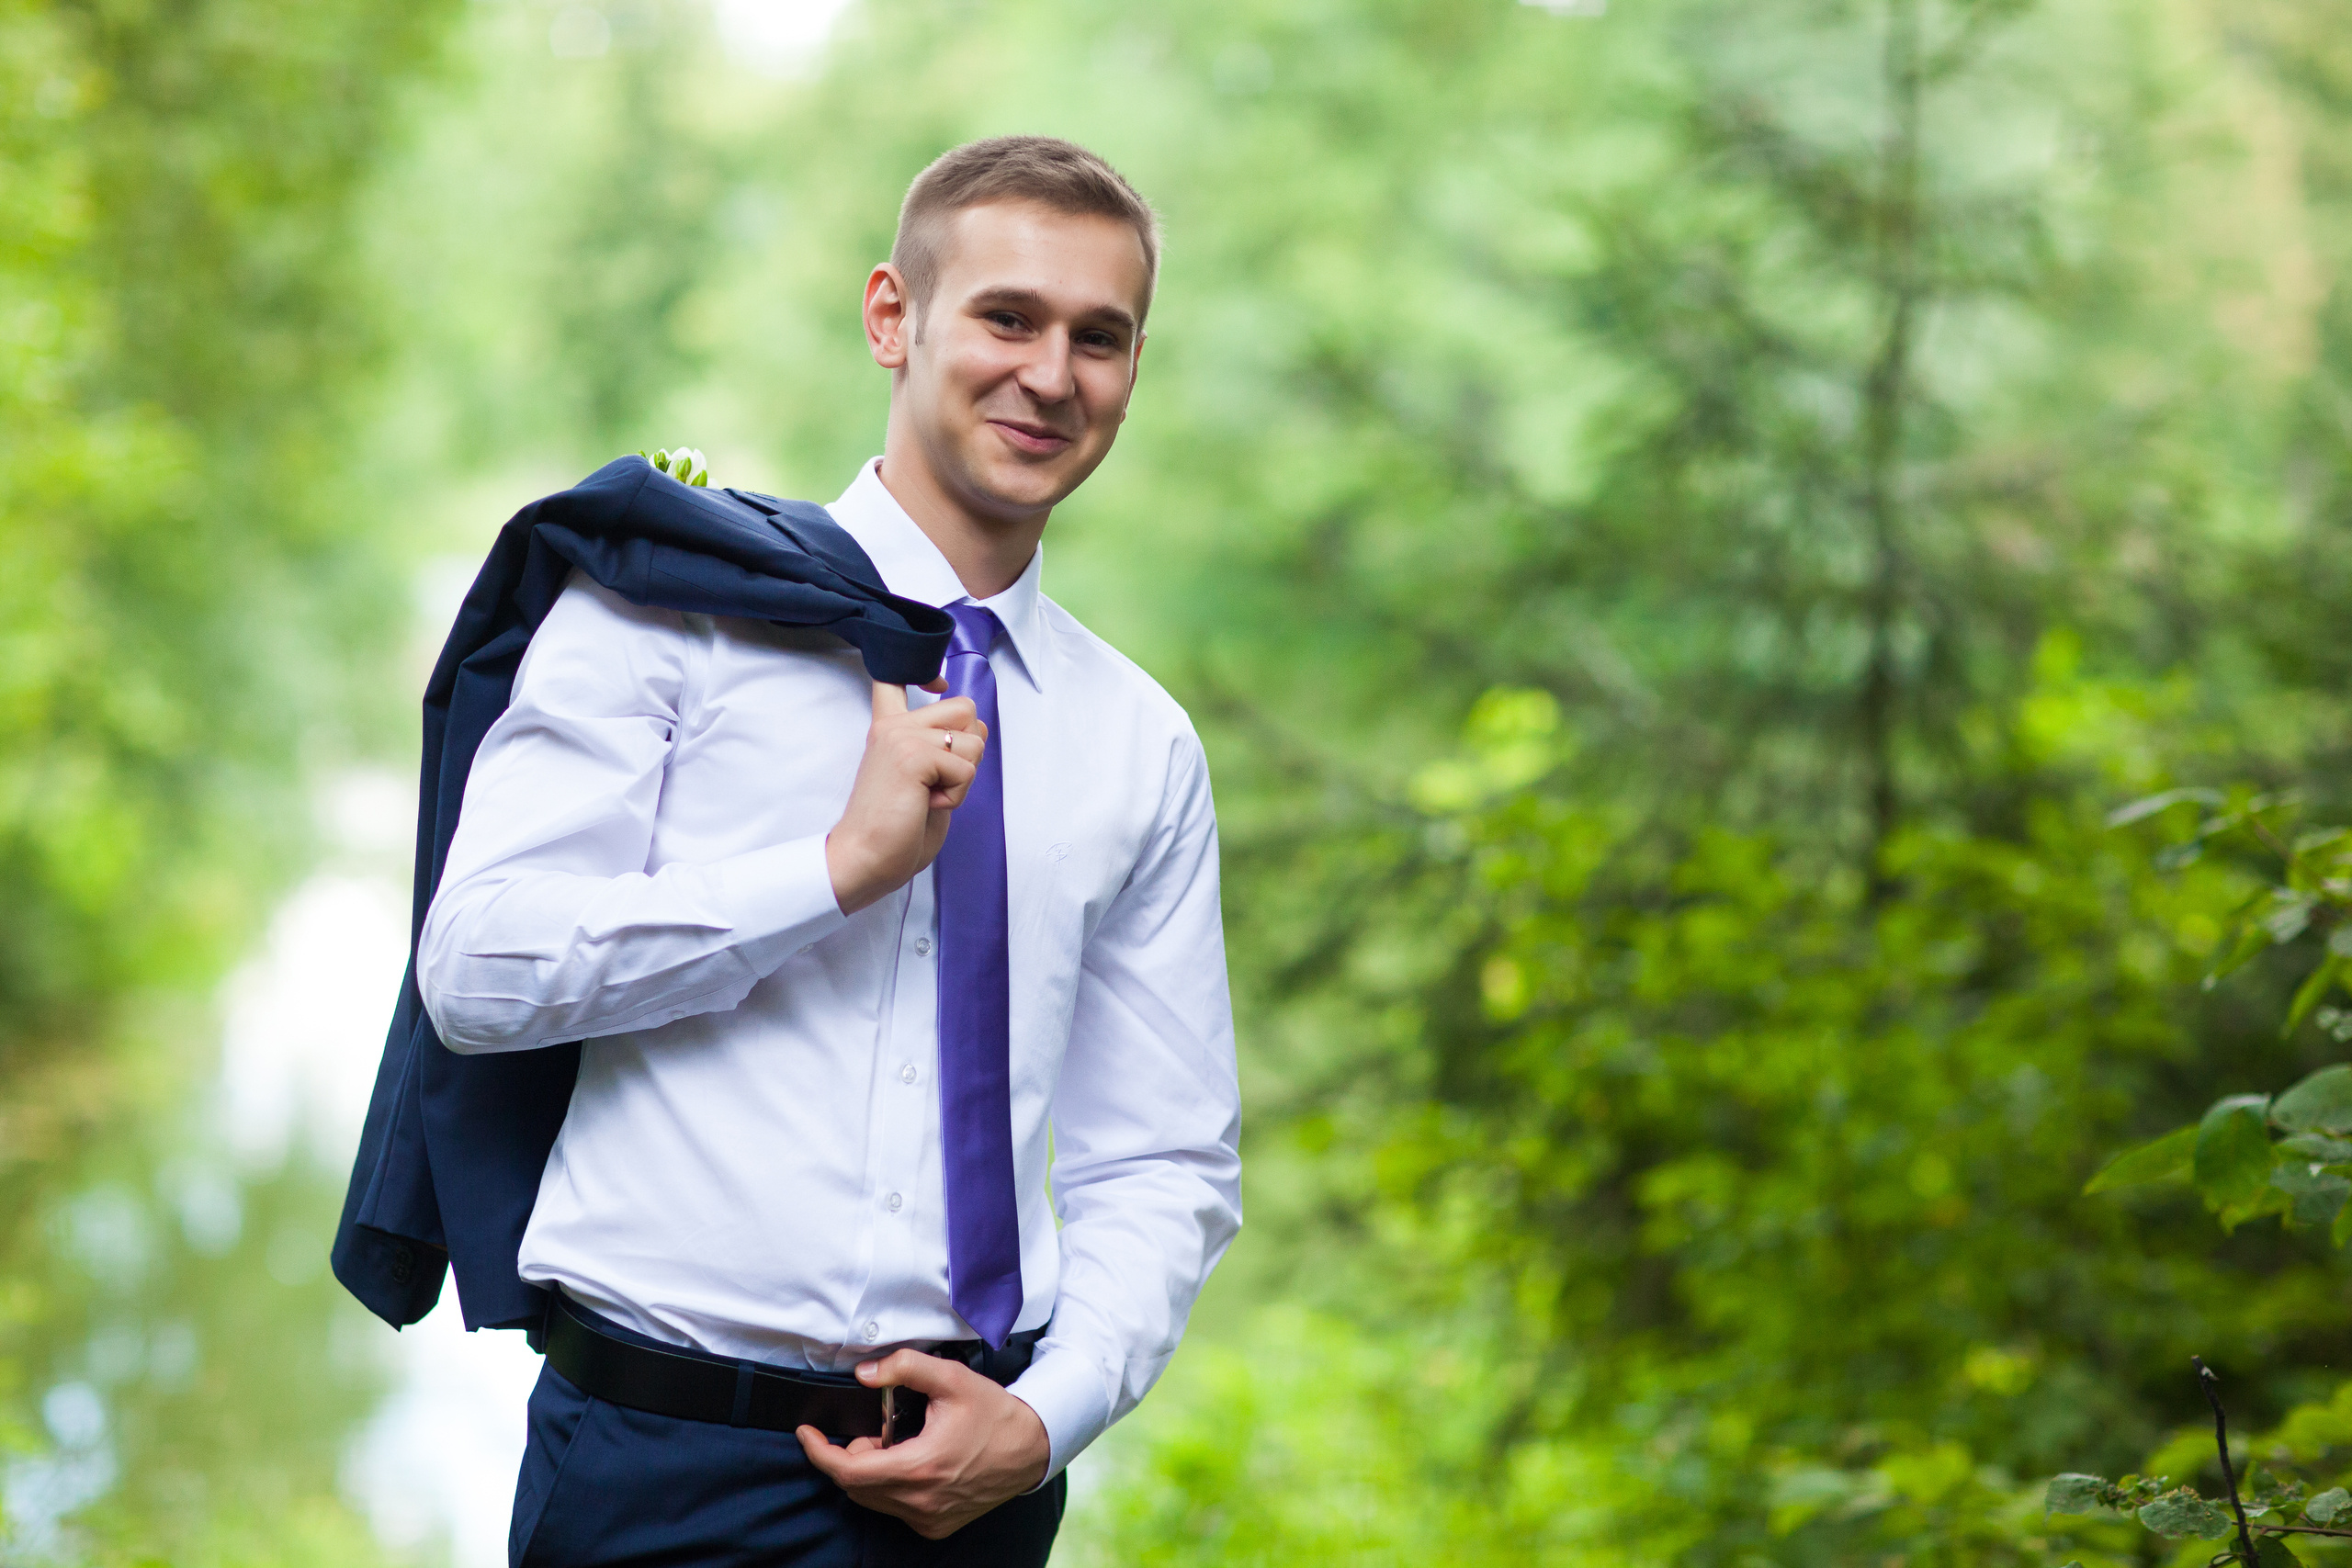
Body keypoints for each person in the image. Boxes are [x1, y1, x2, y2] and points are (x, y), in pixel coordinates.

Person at [413, 137, 1241, 1566]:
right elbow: (477, 970)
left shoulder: (1139, 742)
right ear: (892, 318)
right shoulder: (670, 616)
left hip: (974, 1487)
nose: (1053, 375)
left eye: (1099, 337)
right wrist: (835, 871)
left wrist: (1047, 1421)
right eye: (1007, 317)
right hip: (656, 1477)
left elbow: (1161, 1159)